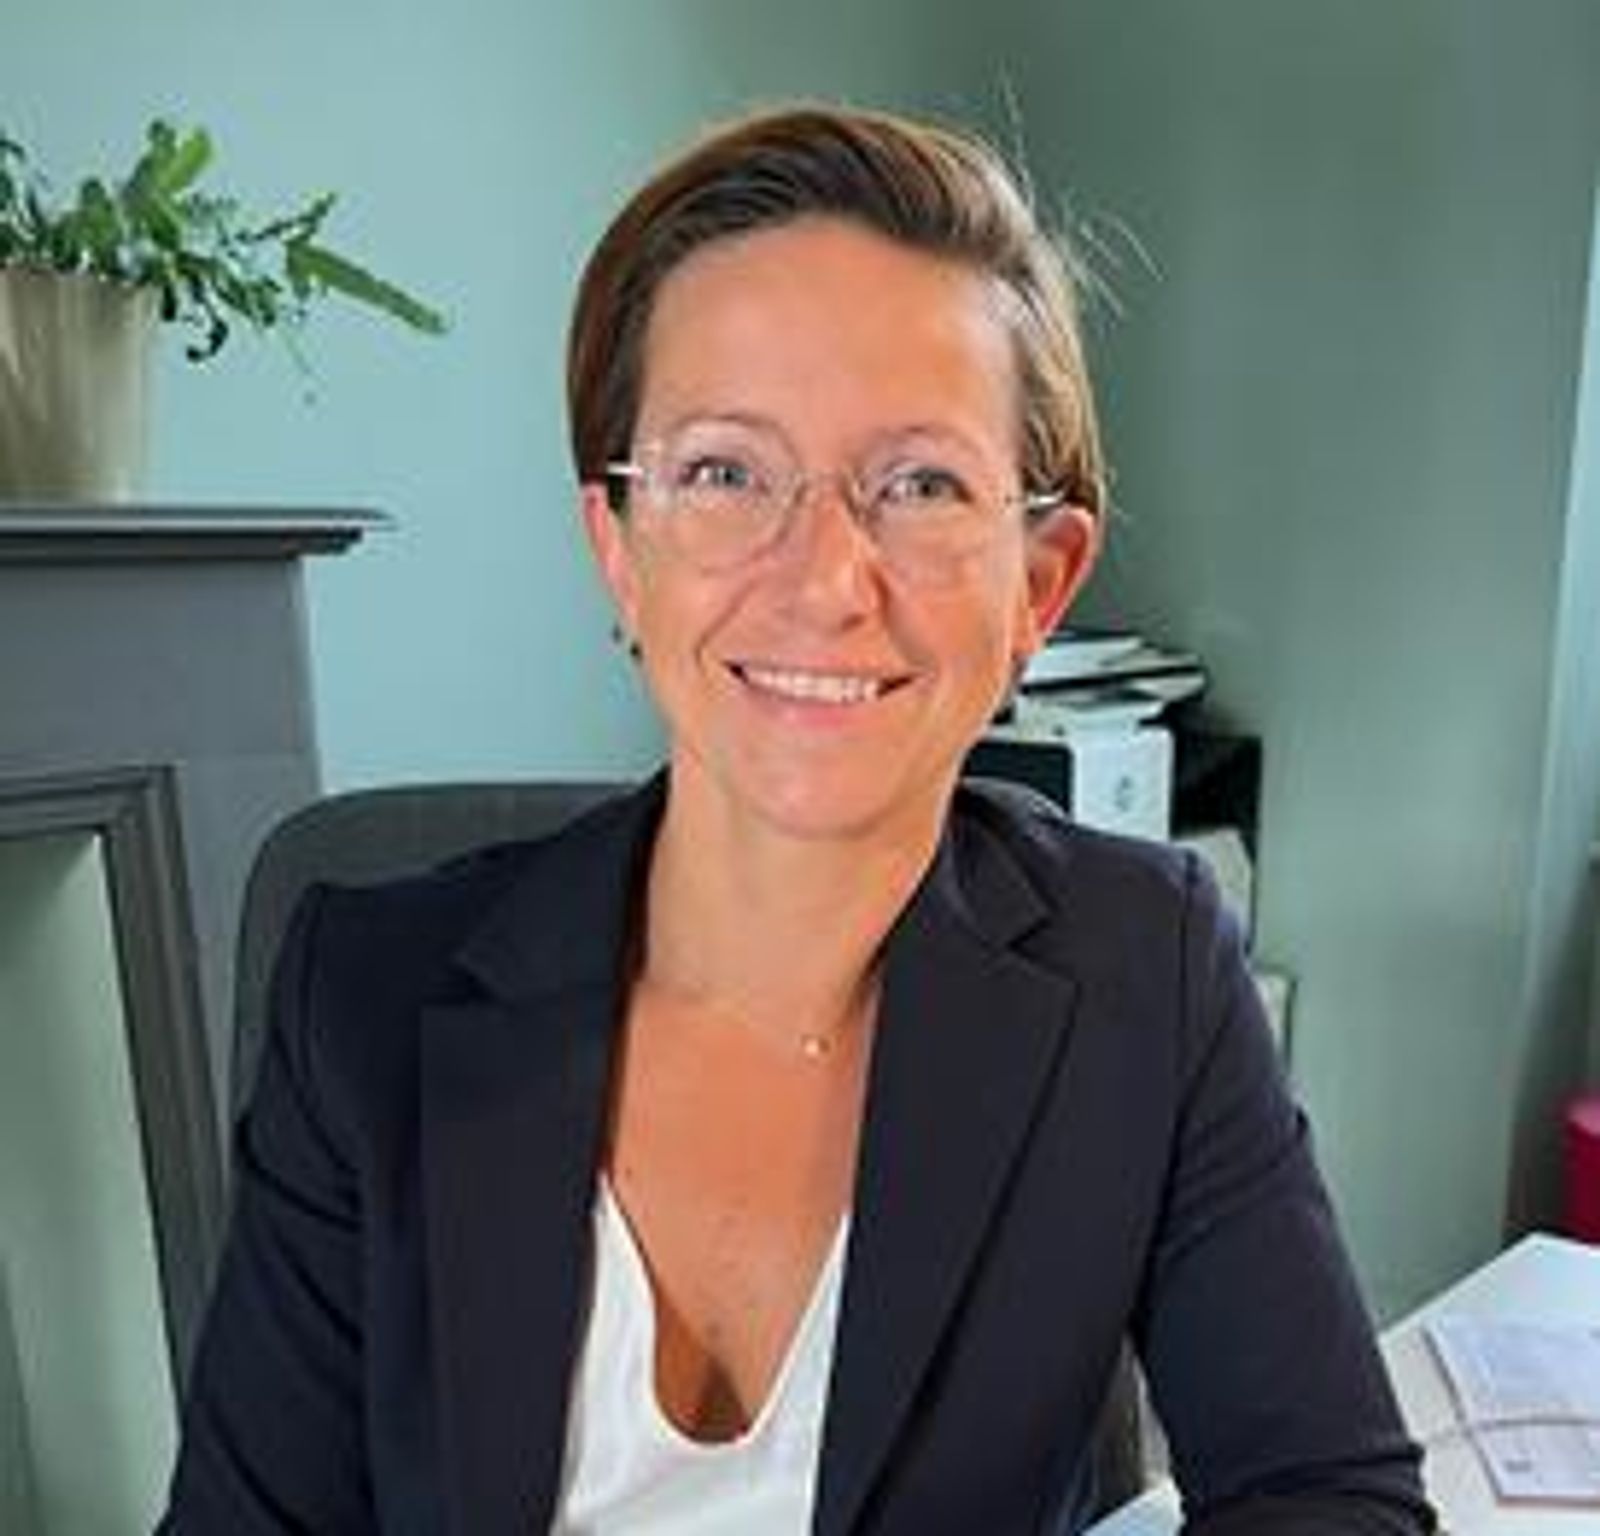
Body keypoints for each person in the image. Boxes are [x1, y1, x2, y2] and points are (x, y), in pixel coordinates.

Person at [160, 105, 1434, 1534]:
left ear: (1039, 583)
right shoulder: (364, 995)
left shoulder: (1151, 972)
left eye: (922, 484)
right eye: (724, 472)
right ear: (620, 551)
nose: (826, 579)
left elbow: (1328, 1497)